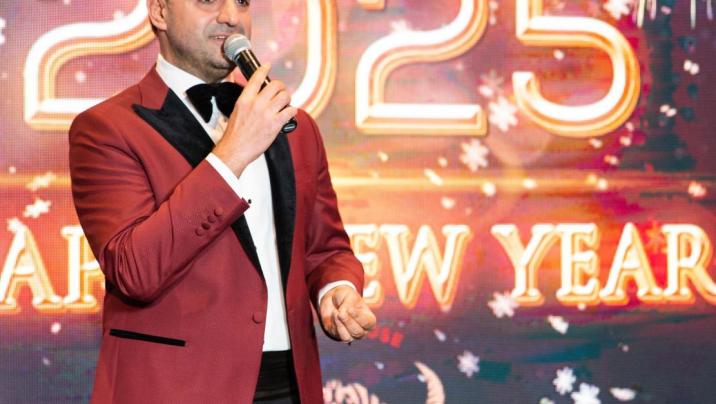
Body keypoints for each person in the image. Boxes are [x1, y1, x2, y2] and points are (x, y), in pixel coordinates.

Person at [68, 0, 376, 402]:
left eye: (243, 2)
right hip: (178, 387)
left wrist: (335, 289)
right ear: (159, 12)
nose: (231, 16)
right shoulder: (107, 128)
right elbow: (134, 270)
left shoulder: (294, 127)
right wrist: (231, 154)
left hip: (291, 383)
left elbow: (325, 248)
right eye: (207, 0)